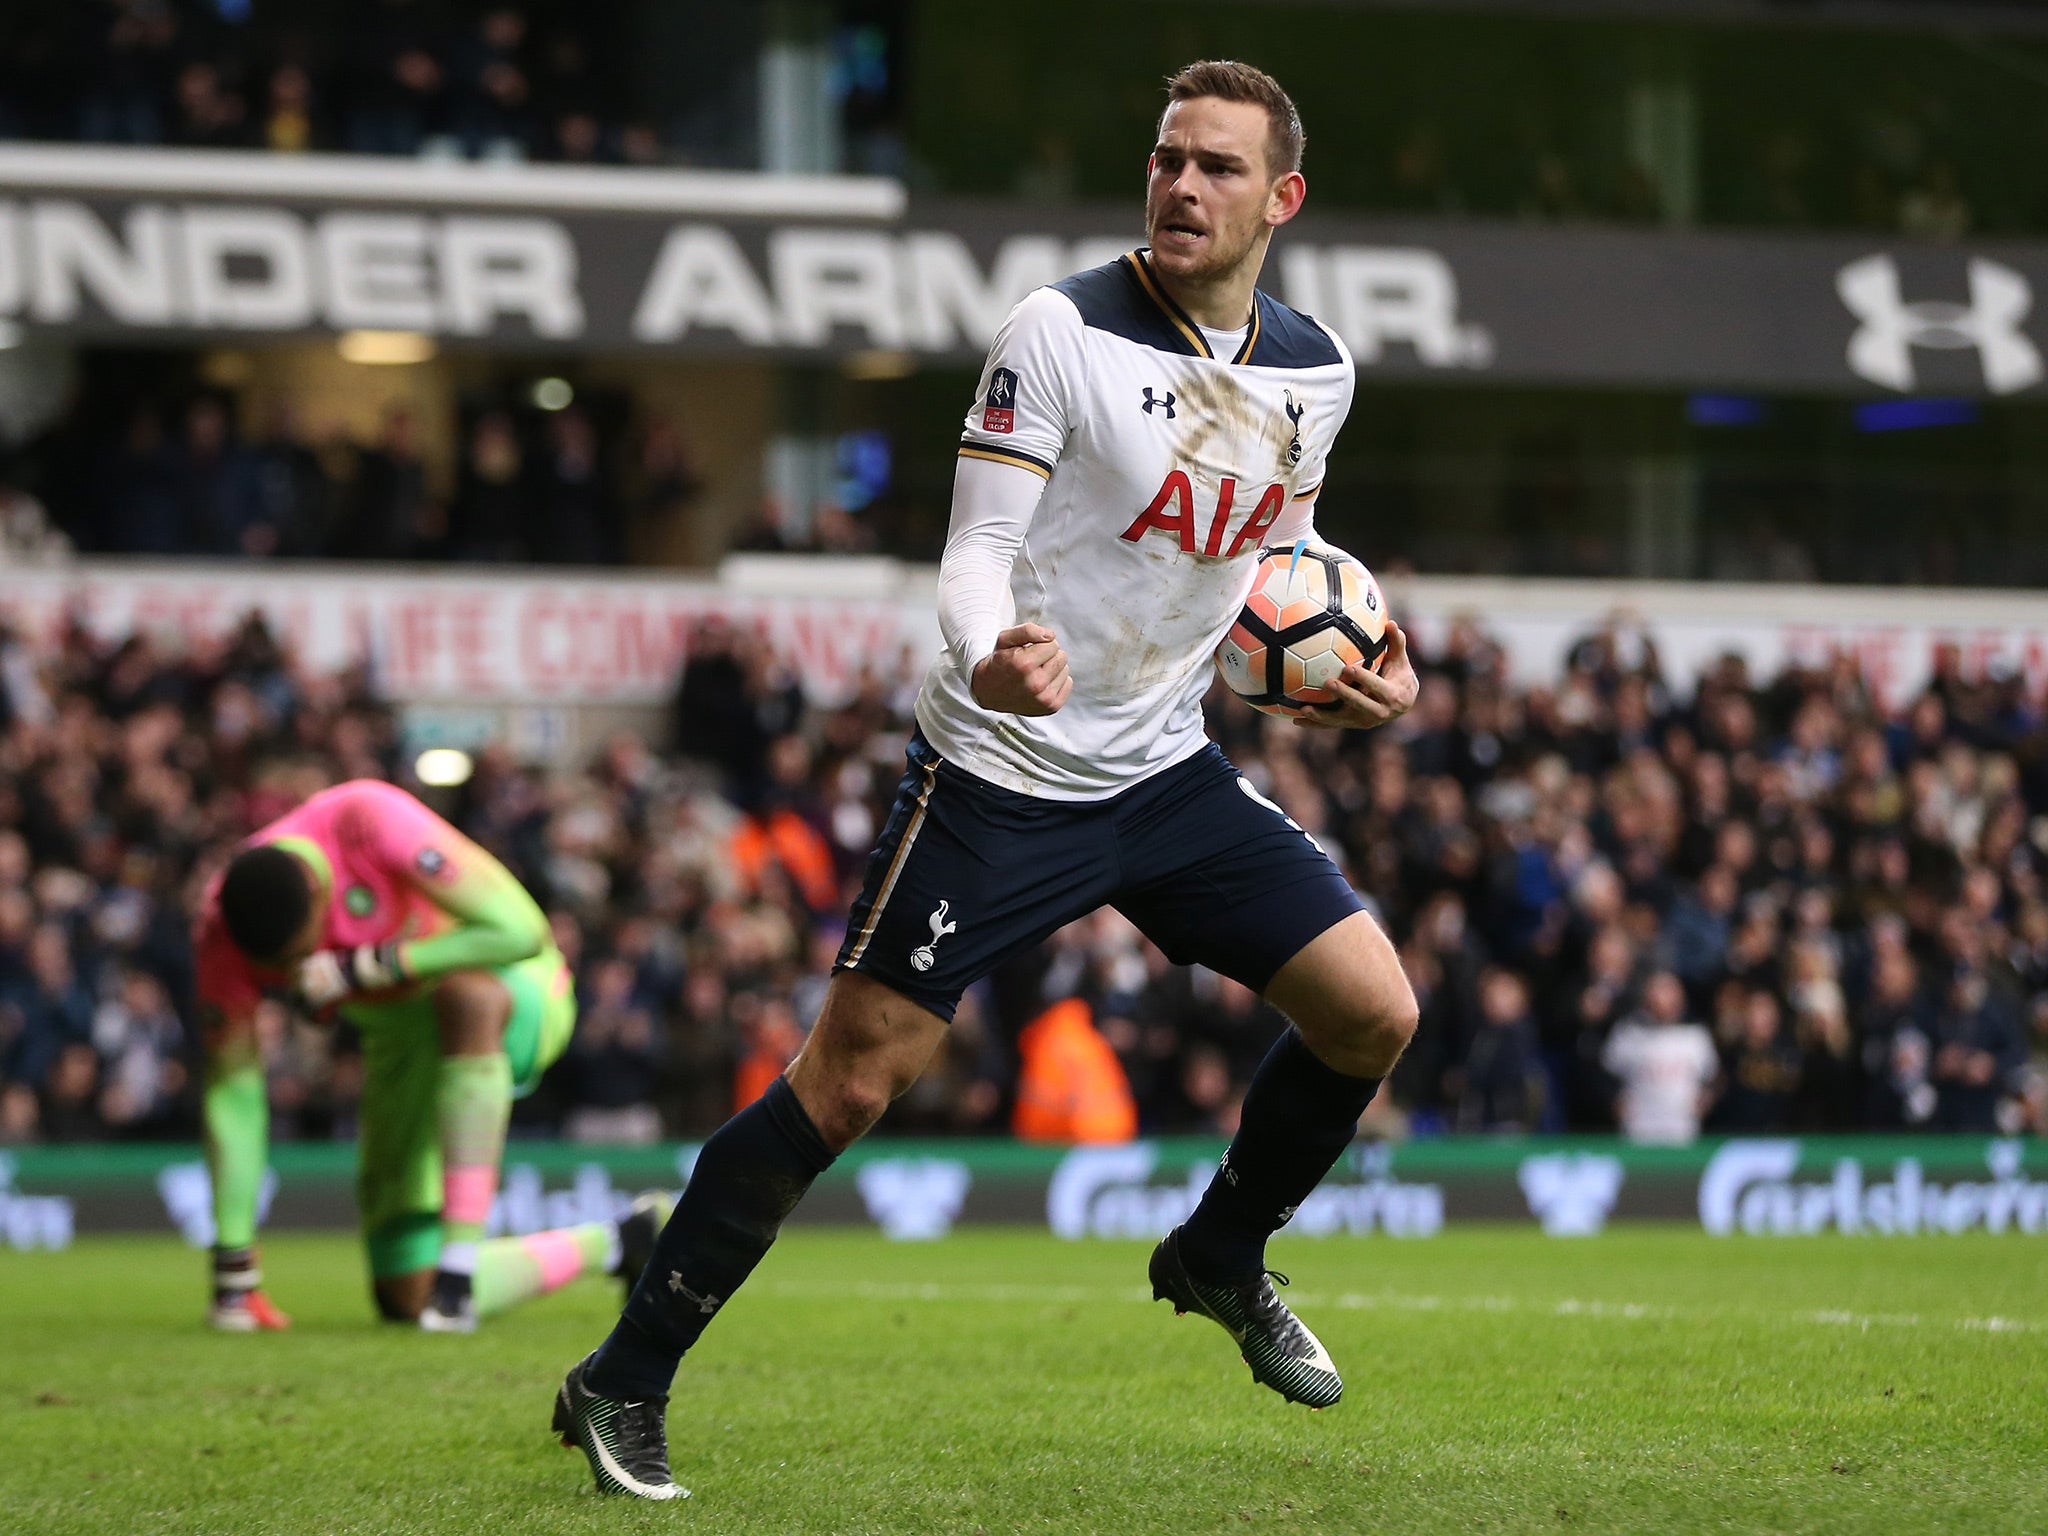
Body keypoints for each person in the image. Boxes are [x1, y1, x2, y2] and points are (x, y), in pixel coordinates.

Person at [551, 59, 1420, 1501]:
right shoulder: (1061, 329)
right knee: (847, 1085)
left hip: (1166, 769)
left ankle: (1217, 1254)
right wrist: (991, 651)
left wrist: (1336, 675)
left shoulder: (1315, 370)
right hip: (999, 771)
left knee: (1372, 1010)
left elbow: (1277, 557)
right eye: (1165, 158)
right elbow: (971, 553)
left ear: (1282, 199)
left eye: (1214, 166)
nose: (1181, 186)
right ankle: (622, 1381)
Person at [195, 779, 663, 1333]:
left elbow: (520, 932)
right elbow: (235, 1088)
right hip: (401, 1053)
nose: (307, 967)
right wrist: (233, 1266)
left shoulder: (367, 822)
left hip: (514, 994)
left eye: (310, 950)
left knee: (464, 996)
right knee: (405, 1294)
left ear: (323, 897)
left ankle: (460, 1271)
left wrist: (367, 967)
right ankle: (625, 1240)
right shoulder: (218, 926)